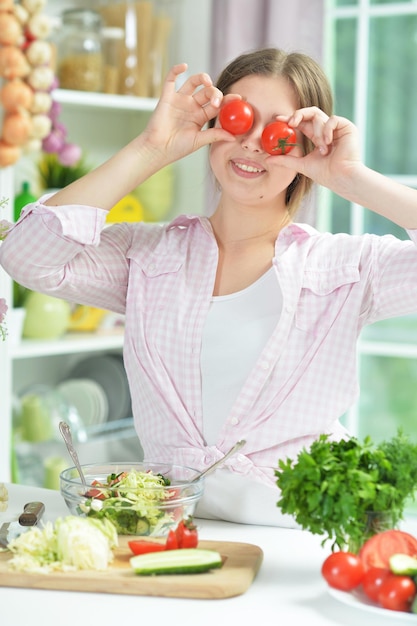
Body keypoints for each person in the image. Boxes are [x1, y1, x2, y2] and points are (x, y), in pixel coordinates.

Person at [2, 47, 417, 527]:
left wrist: (352, 178)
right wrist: (150, 149)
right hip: (172, 528)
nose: (255, 144)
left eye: (280, 132)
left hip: (301, 537)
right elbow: (24, 256)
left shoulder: (347, 268)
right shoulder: (148, 255)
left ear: (306, 147)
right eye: (240, 120)